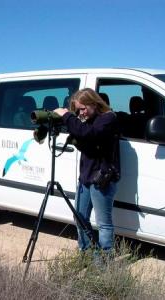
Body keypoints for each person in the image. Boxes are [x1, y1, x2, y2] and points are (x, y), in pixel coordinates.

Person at [53, 88, 120, 261]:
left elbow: (90, 134)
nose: (81, 113)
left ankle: (105, 261)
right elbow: (87, 142)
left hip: (101, 179)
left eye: (83, 108)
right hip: (86, 177)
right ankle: (88, 253)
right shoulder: (88, 120)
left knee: (104, 224)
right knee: (80, 218)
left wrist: (67, 116)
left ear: (94, 102)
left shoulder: (108, 119)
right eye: (78, 110)